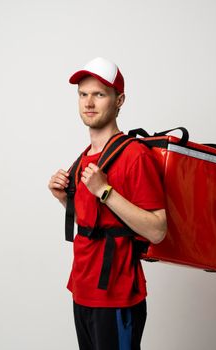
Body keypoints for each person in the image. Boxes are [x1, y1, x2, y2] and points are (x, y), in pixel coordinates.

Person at [48, 57, 167, 350]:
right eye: (83, 94)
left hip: (117, 295)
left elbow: (158, 230)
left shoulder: (134, 155)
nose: (89, 102)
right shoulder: (85, 157)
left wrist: (105, 191)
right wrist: (66, 200)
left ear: (119, 100)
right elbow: (98, 223)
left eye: (99, 94)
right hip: (82, 289)